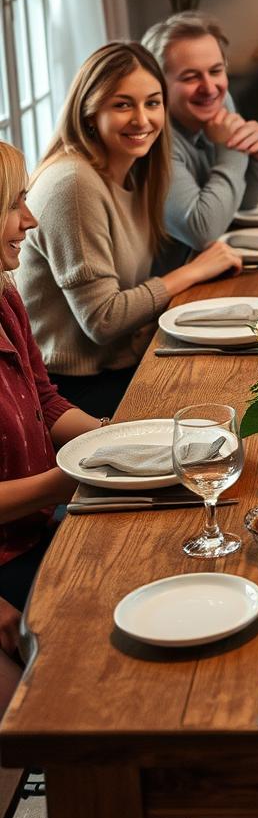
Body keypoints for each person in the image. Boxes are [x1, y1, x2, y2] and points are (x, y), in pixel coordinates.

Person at [16, 42, 242, 416]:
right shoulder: (73, 184)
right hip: (73, 391)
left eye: (153, 103)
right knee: (221, 414)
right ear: (90, 112)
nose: (142, 119)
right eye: (122, 104)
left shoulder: (133, 170)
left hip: (122, 363)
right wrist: (194, 270)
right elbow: (102, 320)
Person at [0, 141, 103, 712]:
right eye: (15, 204)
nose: (31, 220)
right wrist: (68, 481)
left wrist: (114, 435)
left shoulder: (5, 293)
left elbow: (45, 398)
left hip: (39, 529)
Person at [142, 12, 258, 254]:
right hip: (174, 281)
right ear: (158, 84)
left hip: (216, 264)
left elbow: (242, 202)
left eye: (216, 71)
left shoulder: (220, 101)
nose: (209, 88)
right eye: (191, 77)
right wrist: (233, 149)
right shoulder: (152, 136)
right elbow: (203, 230)